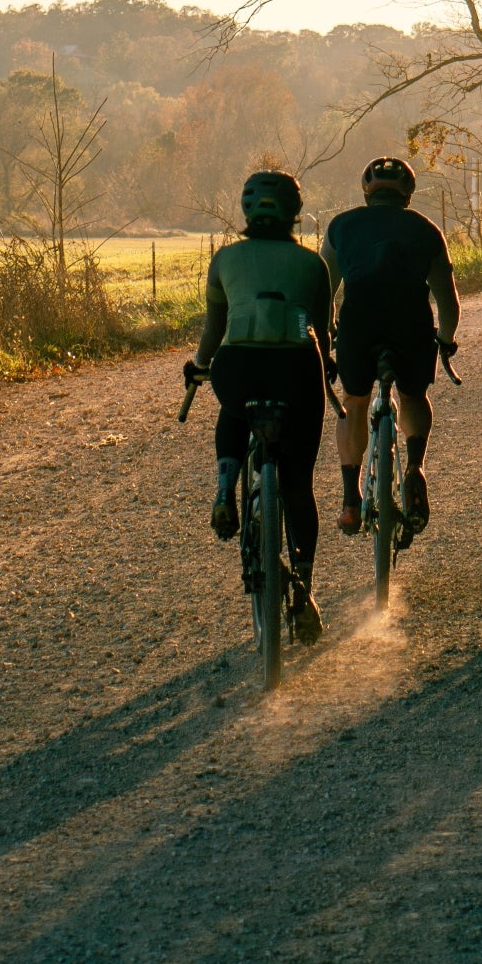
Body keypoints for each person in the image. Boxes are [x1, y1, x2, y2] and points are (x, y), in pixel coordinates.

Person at [185, 164, 335, 643]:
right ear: (295, 213)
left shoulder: (224, 259)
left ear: (245, 209)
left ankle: (225, 489)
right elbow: (322, 329)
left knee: (233, 409)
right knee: (298, 484)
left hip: (237, 364)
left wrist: (199, 365)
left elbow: (213, 328)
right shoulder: (314, 265)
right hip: (297, 369)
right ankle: (304, 589)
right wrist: (327, 367)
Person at [323, 155, 459, 536]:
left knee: (354, 402)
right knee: (413, 395)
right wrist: (446, 340)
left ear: (367, 192)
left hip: (359, 324)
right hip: (410, 324)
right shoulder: (426, 229)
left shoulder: (341, 227)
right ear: (408, 194)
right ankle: (415, 468)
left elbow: (324, 290)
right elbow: (446, 300)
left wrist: (327, 330)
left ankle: (351, 502)